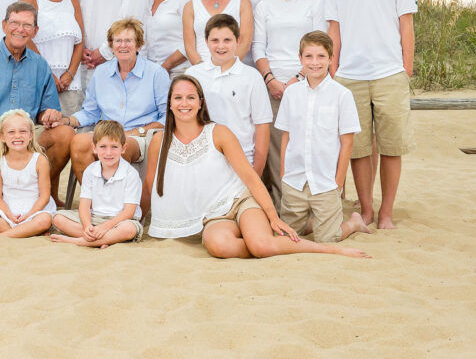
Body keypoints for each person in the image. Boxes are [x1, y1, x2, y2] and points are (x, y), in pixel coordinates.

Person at [141, 75, 369, 259]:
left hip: (241, 202)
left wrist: (273, 217)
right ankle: (268, 235)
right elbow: (150, 185)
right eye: (178, 98)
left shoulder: (218, 133)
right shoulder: (159, 141)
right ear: (169, 103)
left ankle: (330, 248)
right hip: (214, 215)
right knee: (219, 245)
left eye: (191, 97)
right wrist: (138, 221)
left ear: (200, 102)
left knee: (262, 246)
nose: (184, 103)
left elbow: (250, 178)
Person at [327, 0, 417, 229]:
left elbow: (406, 25)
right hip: (350, 76)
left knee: (392, 147)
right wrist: (334, 70)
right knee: (359, 149)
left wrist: (406, 69)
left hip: (389, 73)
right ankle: (366, 210)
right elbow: (334, 30)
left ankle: (386, 212)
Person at [0, 1, 74, 204]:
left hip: (30, 132)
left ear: (35, 31)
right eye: (14, 23)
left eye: (27, 25)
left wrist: (49, 115)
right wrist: (3, 129)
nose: (20, 29)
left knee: (66, 133)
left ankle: (36, 192)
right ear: (4, 25)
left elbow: (46, 109)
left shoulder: (40, 64)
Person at [276, 32, 371, 242]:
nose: (315, 62)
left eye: (321, 56)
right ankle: (315, 222)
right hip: (294, 181)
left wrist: (338, 182)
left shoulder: (342, 95)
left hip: (325, 182)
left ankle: (353, 223)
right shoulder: (291, 94)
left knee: (327, 239)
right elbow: (286, 137)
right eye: (308, 56)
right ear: (300, 58)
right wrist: (284, 174)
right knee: (287, 237)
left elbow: (347, 143)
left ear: (331, 58)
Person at [252, 0, 327, 206]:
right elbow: (258, 47)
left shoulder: (314, 3)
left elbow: (320, 45)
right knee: (276, 149)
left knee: (308, 144)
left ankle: (311, 202)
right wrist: (270, 80)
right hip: (272, 85)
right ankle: (282, 204)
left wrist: (298, 78)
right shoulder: (264, 6)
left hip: (307, 82)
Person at [60, 17, 169, 185]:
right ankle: (96, 196)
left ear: (139, 45)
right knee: (79, 142)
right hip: (107, 135)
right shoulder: (101, 73)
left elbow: (167, 117)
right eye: (118, 41)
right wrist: (66, 121)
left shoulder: (156, 73)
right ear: (111, 46)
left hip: (140, 137)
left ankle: (115, 197)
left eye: (128, 40)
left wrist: (137, 132)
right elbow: (90, 113)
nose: (123, 45)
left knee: (115, 148)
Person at [185, 14, 271, 174]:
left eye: (227, 40)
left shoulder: (252, 77)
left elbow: (262, 126)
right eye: (215, 40)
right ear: (206, 42)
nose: (221, 46)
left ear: (238, 41)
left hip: (242, 162)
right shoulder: (192, 74)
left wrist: (256, 172)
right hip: (201, 161)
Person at [51, 120, 143, 248]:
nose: (108, 153)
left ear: (123, 148)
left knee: (129, 229)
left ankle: (80, 241)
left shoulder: (130, 174)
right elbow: (84, 205)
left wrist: (105, 227)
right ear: (94, 148)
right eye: (103, 147)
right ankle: (105, 240)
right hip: (95, 217)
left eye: (114, 147)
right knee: (58, 219)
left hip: (120, 221)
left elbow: (129, 212)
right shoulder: (90, 171)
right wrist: (87, 225)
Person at [21, 0, 85, 117]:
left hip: (69, 84)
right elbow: (25, 37)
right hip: (39, 81)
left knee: (70, 130)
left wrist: (70, 74)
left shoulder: (72, 1)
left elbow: (80, 42)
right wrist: (48, 75)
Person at [0, 109, 55, 238]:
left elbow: (44, 197)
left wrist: (30, 214)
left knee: (45, 220)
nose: (17, 136)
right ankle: (25, 231)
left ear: (31, 135)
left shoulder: (39, 160)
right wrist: (9, 215)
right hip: (8, 211)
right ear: (2, 137)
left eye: (23, 131)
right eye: (11, 132)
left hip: (35, 210)